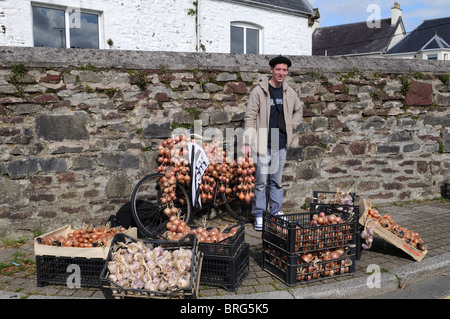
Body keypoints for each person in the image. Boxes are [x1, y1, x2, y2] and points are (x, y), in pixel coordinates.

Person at [242, 55, 303, 231]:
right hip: (261, 143)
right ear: (271, 70)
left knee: (276, 181)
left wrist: (291, 124)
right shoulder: (259, 91)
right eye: (278, 69)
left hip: (280, 143)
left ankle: (276, 211)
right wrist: (247, 141)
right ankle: (259, 214)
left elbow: (299, 110)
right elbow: (250, 116)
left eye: (284, 70)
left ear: (287, 72)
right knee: (260, 181)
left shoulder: (289, 92)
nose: (281, 73)